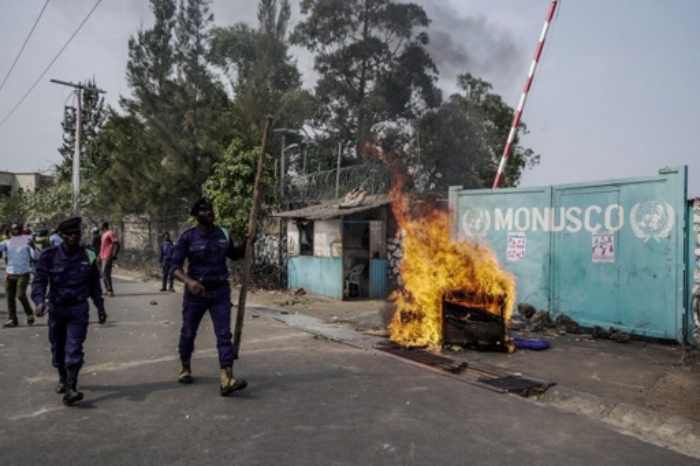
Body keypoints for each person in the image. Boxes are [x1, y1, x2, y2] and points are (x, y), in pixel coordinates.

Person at [172, 198, 247, 396]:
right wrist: (190, 282)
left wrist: (248, 241)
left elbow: (235, 255)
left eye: (211, 210)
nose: (210, 213)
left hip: (220, 292)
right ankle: (185, 367)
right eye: (204, 211)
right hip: (196, 294)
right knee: (188, 332)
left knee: (224, 335)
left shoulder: (223, 233)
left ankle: (226, 378)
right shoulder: (187, 237)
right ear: (196, 216)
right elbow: (174, 268)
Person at [32, 217, 107, 406]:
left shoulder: (88, 255)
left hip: (78, 309)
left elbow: (94, 284)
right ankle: (63, 378)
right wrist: (39, 302)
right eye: (71, 234)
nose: (75, 237)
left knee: (74, 348)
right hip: (57, 308)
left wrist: (100, 307)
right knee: (57, 347)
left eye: (78, 233)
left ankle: (72, 388)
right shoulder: (49, 256)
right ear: (62, 236)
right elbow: (39, 281)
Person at [0, 223, 37, 327]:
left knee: (20, 295)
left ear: (21, 230)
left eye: (17, 229)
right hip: (10, 273)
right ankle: (12, 319)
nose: (15, 231)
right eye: (13, 229)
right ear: (11, 230)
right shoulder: (7, 242)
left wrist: (33, 247)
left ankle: (29, 314)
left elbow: (34, 256)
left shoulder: (27, 240)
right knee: (9, 297)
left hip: (23, 273)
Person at [99, 222, 119, 297]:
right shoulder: (103, 234)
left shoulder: (110, 233)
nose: (99, 227)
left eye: (101, 225)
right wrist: (99, 256)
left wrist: (114, 254)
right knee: (104, 274)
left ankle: (110, 290)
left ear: (104, 226)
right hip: (102, 256)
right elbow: (103, 246)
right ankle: (108, 290)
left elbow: (116, 243)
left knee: (105, 273)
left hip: (108, 256)